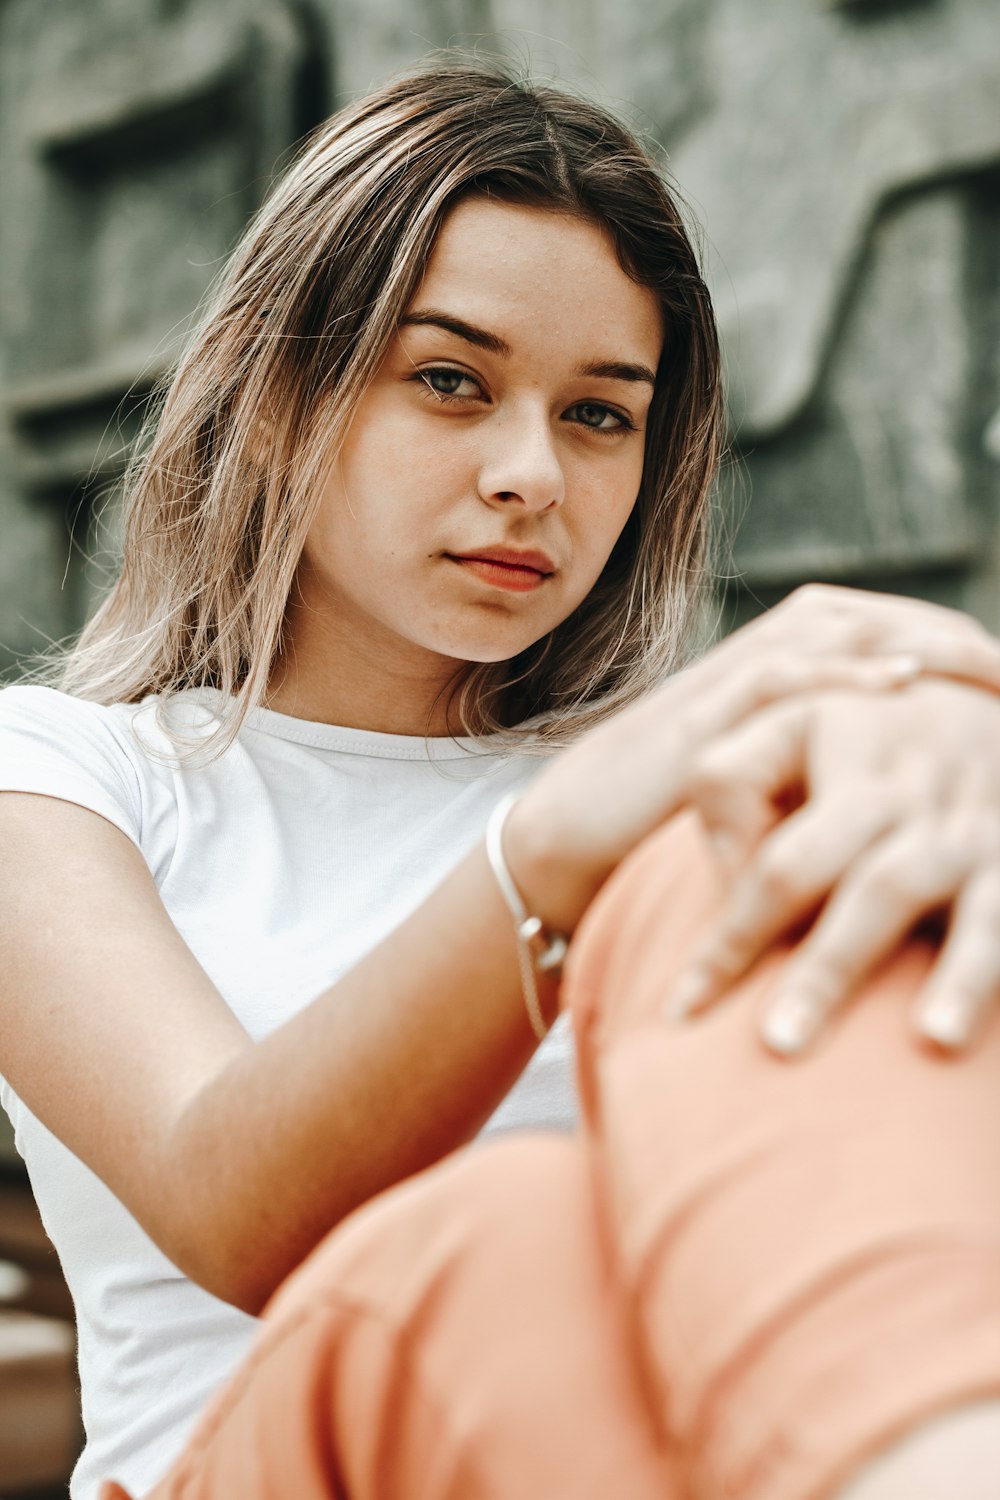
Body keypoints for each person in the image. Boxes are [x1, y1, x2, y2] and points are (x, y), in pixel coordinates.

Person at [0, 59, 997, 1500]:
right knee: (507, 1238)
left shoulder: (664, 799)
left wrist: (951, 729)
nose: (532, 472)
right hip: (246, 1461)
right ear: (282, 395)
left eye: (601, 414)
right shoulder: (59, 778)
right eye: (451, 382)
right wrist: (548, 861)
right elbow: (232, 1206)